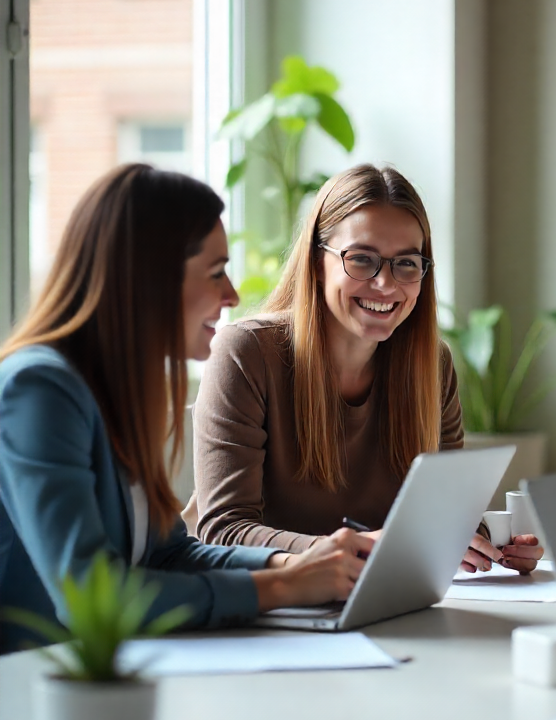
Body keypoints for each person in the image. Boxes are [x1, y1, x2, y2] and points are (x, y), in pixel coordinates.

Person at [0, 164, 375, 656]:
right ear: (148, 278)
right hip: (33, 681)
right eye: (216, 272)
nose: (232, 295)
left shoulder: (117, 394)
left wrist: (297, 565)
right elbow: (91, 595)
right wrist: (281, 587)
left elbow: (169, 554)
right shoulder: (39, 389)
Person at [183, 164, 541, 575]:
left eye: (406, 263)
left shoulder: (432, 366)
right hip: (271, 601)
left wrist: (490, 543)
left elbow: (438, 519)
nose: (386, 284)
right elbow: (224, 531)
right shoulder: (246, 354)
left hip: (380, 598)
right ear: (316, 262)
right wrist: (360, 549)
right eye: (362, 259)